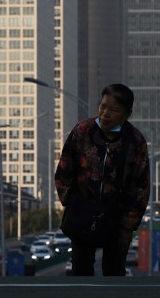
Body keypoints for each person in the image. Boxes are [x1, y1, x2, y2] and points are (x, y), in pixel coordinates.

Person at [55, 83, 150, 276]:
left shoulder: (135, 141)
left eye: (113, 110)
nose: (105, 113)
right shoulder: (82, 131)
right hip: (82, 212)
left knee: (114, 272)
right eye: (103, 106)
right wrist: (70, 202)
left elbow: (140, 187)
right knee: (80, 269)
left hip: (116, 217)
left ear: (127, 113)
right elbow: (65, 168)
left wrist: (128, 227)